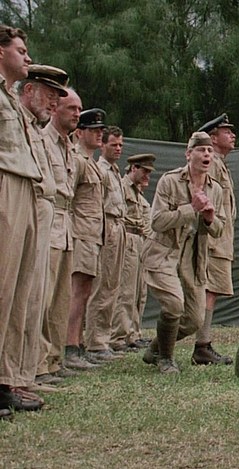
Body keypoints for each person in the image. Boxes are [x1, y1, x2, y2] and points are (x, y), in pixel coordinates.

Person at [141, 132, 225, 374]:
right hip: (164, 250)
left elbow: (219, 229)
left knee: (195, 319)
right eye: (201, 150)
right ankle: (166, 359)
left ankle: (155, 348)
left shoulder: (215, 189)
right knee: (174, 304)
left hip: (193, 255)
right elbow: (157, 221)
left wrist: (209, 218)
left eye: (210, 151)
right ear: (189, 154)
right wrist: (191, 209)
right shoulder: (170, 181)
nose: (207, 154)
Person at [15, 64, 67, 398]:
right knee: (21, 298)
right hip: (26, 209)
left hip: (45, 214)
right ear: (29, 90)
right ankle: (15, 376)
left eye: (57, 97)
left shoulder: (35, 129)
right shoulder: (18, 122)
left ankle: (24, 373)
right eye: (49, 94)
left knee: (36, 300)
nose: (54, 103)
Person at [0, 24, 43, 416]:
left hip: (25, 186)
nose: (27, 57)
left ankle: (6, 379)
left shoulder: (10, 98)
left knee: (17, 292)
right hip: (6, 185)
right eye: (20, 50)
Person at [42, 89, 89, 373]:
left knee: (61, 299)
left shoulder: (69, 147)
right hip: (50, 220)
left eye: (79, 109)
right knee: (43, 297)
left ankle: (52, 360)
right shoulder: (44, 141)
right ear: (55, 108)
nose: (77, 114)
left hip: (66, 225)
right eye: (72, 108)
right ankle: (37, 364)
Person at [194, 113, 237, 365]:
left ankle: (203, 342)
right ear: (213, 137)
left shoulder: (221, 165)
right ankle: (201, 344)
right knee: (208, 290)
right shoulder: (212, 164)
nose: (232, 135)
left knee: (212, 290)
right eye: (226, 131)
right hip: (213, 240)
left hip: (221, 237)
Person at [67, 107, 107, 367]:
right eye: (93, 130)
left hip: (92, 235)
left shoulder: (90, 163)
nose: (99, 134)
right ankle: (70, 346)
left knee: (86, 292)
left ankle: (78, 344)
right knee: (77, 292)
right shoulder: (78, 160)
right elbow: (68, 199)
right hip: (80, 234)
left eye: (101, 130)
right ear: (79, 133)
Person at [86, 125, 128, 360]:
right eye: (114, 144)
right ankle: (96, 341)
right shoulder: (101, 170)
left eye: (121, 145)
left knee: (113, 286)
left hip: (119, 225)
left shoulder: (114, 171)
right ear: (102, 145)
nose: (118, 149)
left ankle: (105, 337)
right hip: (107, 226)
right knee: (102, 286)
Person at [112, 153, 155, 352]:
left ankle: (134, 333)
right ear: (133, 168)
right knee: (126, 291)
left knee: (139, 291)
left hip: (140, 240)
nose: (147, 176)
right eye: (144, 171)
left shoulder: (138, 193)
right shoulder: (121, 187)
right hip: (128, 238)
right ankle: (119, 336)